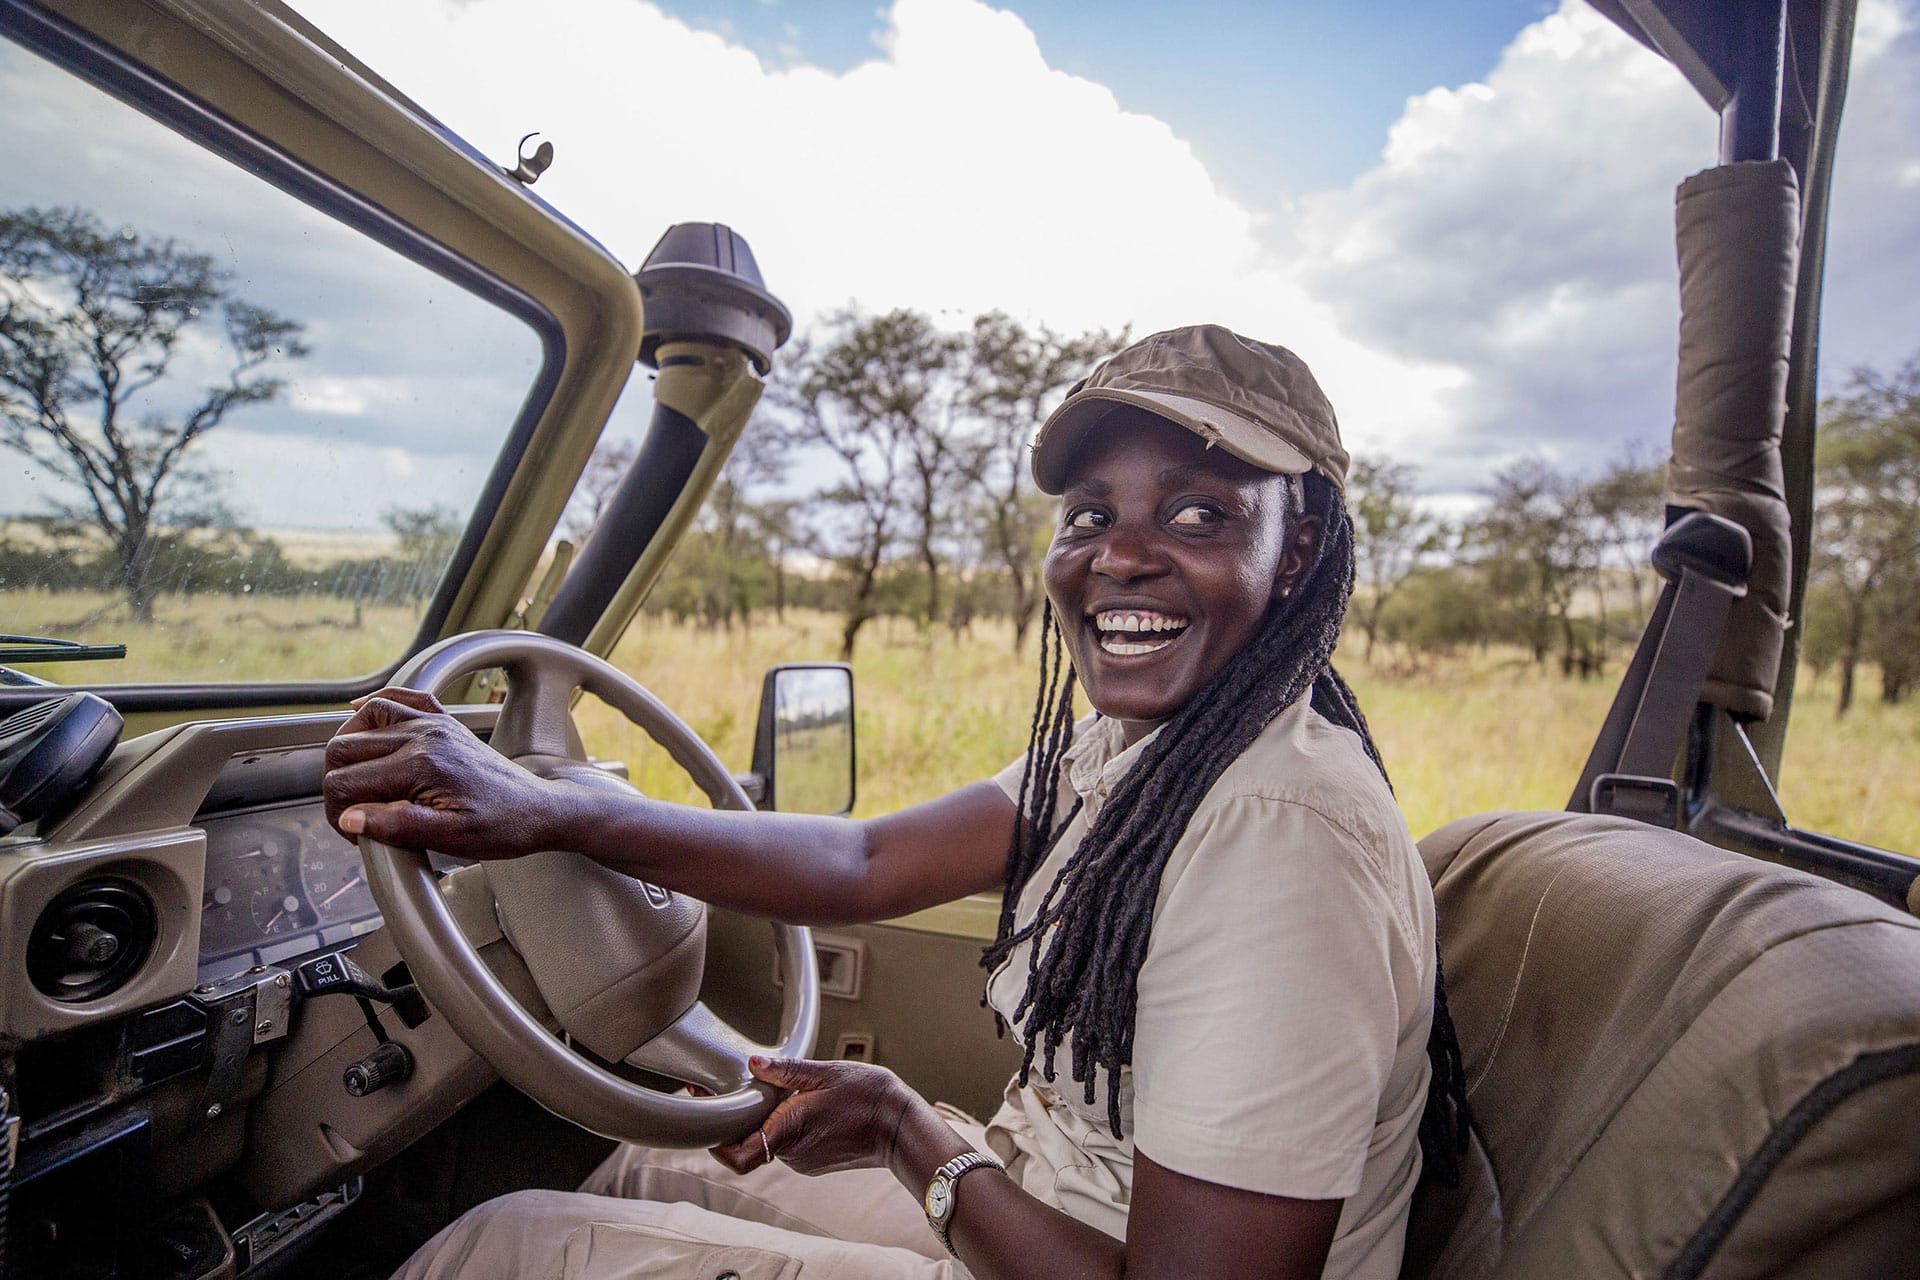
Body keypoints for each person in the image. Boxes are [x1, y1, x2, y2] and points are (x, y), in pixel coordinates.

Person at [322, 324, 1470, 1280]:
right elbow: (867, 862)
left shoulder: (1280, 837)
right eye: (1088, 512)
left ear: (1301, 544)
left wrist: (902, 1127)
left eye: (1198, 513)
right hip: (1053, 1201)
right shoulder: (1149, 744)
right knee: (637, 1165)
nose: (1119, 555)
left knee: (498, 1247)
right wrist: (551, 810)